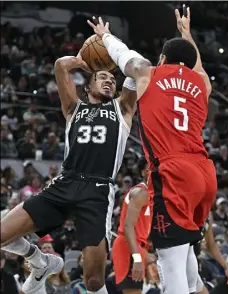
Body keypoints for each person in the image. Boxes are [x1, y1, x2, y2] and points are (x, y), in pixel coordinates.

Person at [87, 5, 217, 294]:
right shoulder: (202, 83)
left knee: (170, 262)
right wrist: (186, 33)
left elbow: (123, 58)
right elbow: (196, 65)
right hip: (205, 173)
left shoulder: (147, 74)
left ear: (162, 58)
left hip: (174, 171)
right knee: (185, 251)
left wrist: (106, 36)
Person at [1, 43, 138, 293]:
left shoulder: (122, 108)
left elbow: (137, 69)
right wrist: (87, 61)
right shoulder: (74, 108)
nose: (109, 81)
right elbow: (61, 65)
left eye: (112, 80)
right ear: (87, 87)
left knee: (94, 281)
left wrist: (106, 42)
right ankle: (40, 262)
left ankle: (45, 265)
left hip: (97, 191)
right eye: (102, 78)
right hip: (65, 183)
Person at [112, 156, 153, 293]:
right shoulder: (141, 192)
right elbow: (128, 227)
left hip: (137, 247)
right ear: (143, 172)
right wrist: (136, 257)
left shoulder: (152, 195)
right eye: (150, 167)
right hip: (128, 247)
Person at [194, 214, 228, 294]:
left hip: (193, 262)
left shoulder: (207, 215)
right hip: (177, 262)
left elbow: (211, 244)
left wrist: (226, 267)